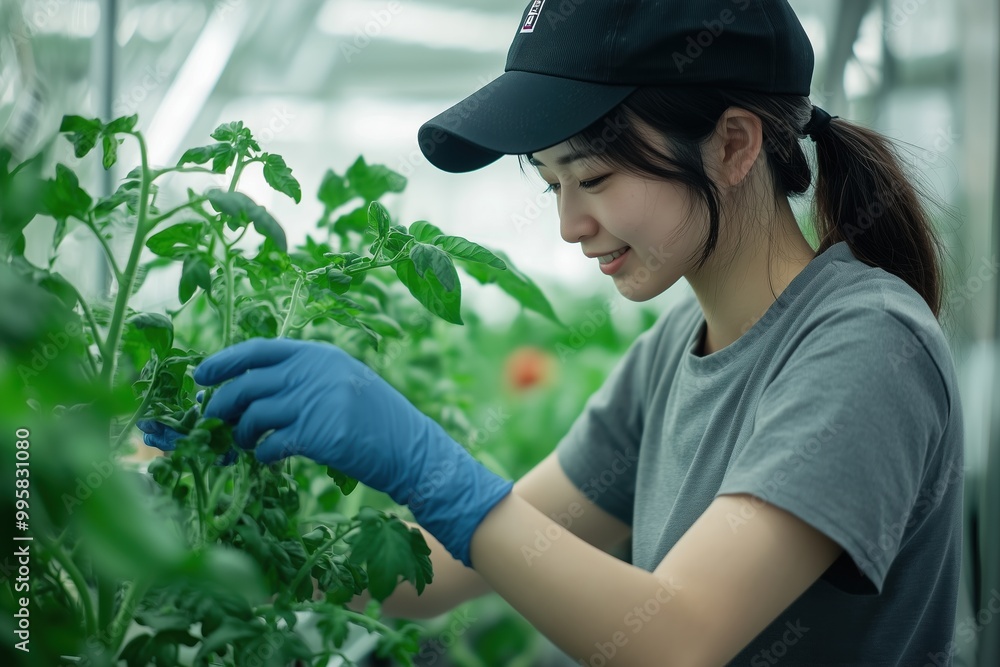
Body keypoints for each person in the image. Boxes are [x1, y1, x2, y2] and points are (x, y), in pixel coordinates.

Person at [142, 1, 966, 664]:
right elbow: (446, 571)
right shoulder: (674, 354)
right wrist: (219, 531)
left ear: (734, 143)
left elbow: (675, 638)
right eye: (551, 183)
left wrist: (428, 465)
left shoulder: (866, 345)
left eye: (595, 177)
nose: (571, 224)